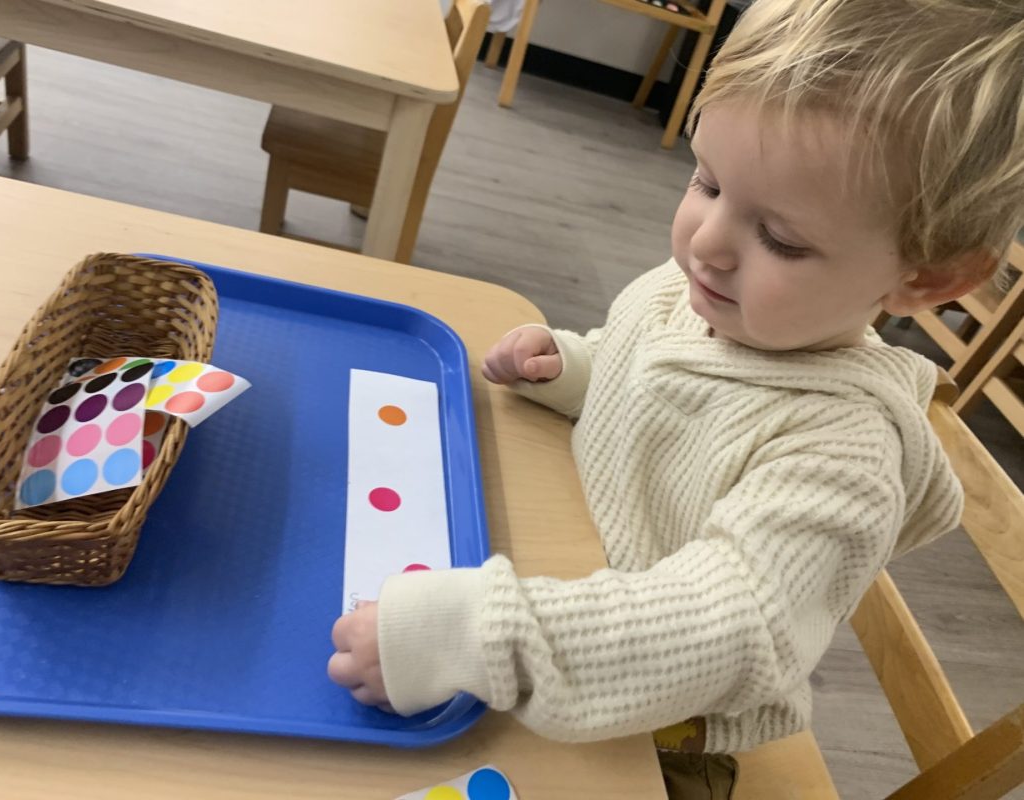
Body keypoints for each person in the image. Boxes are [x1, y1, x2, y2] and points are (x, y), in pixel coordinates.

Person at [329, 0, 1024, 795]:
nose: (706, 241)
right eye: (706, 180)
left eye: (781, 239)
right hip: (561, 582)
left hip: (651, 732)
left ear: (927, 278)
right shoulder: (711, 296)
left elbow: (723, 630)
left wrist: (477, 638)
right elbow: (650, 378)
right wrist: (575, 369)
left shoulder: (841, 460)